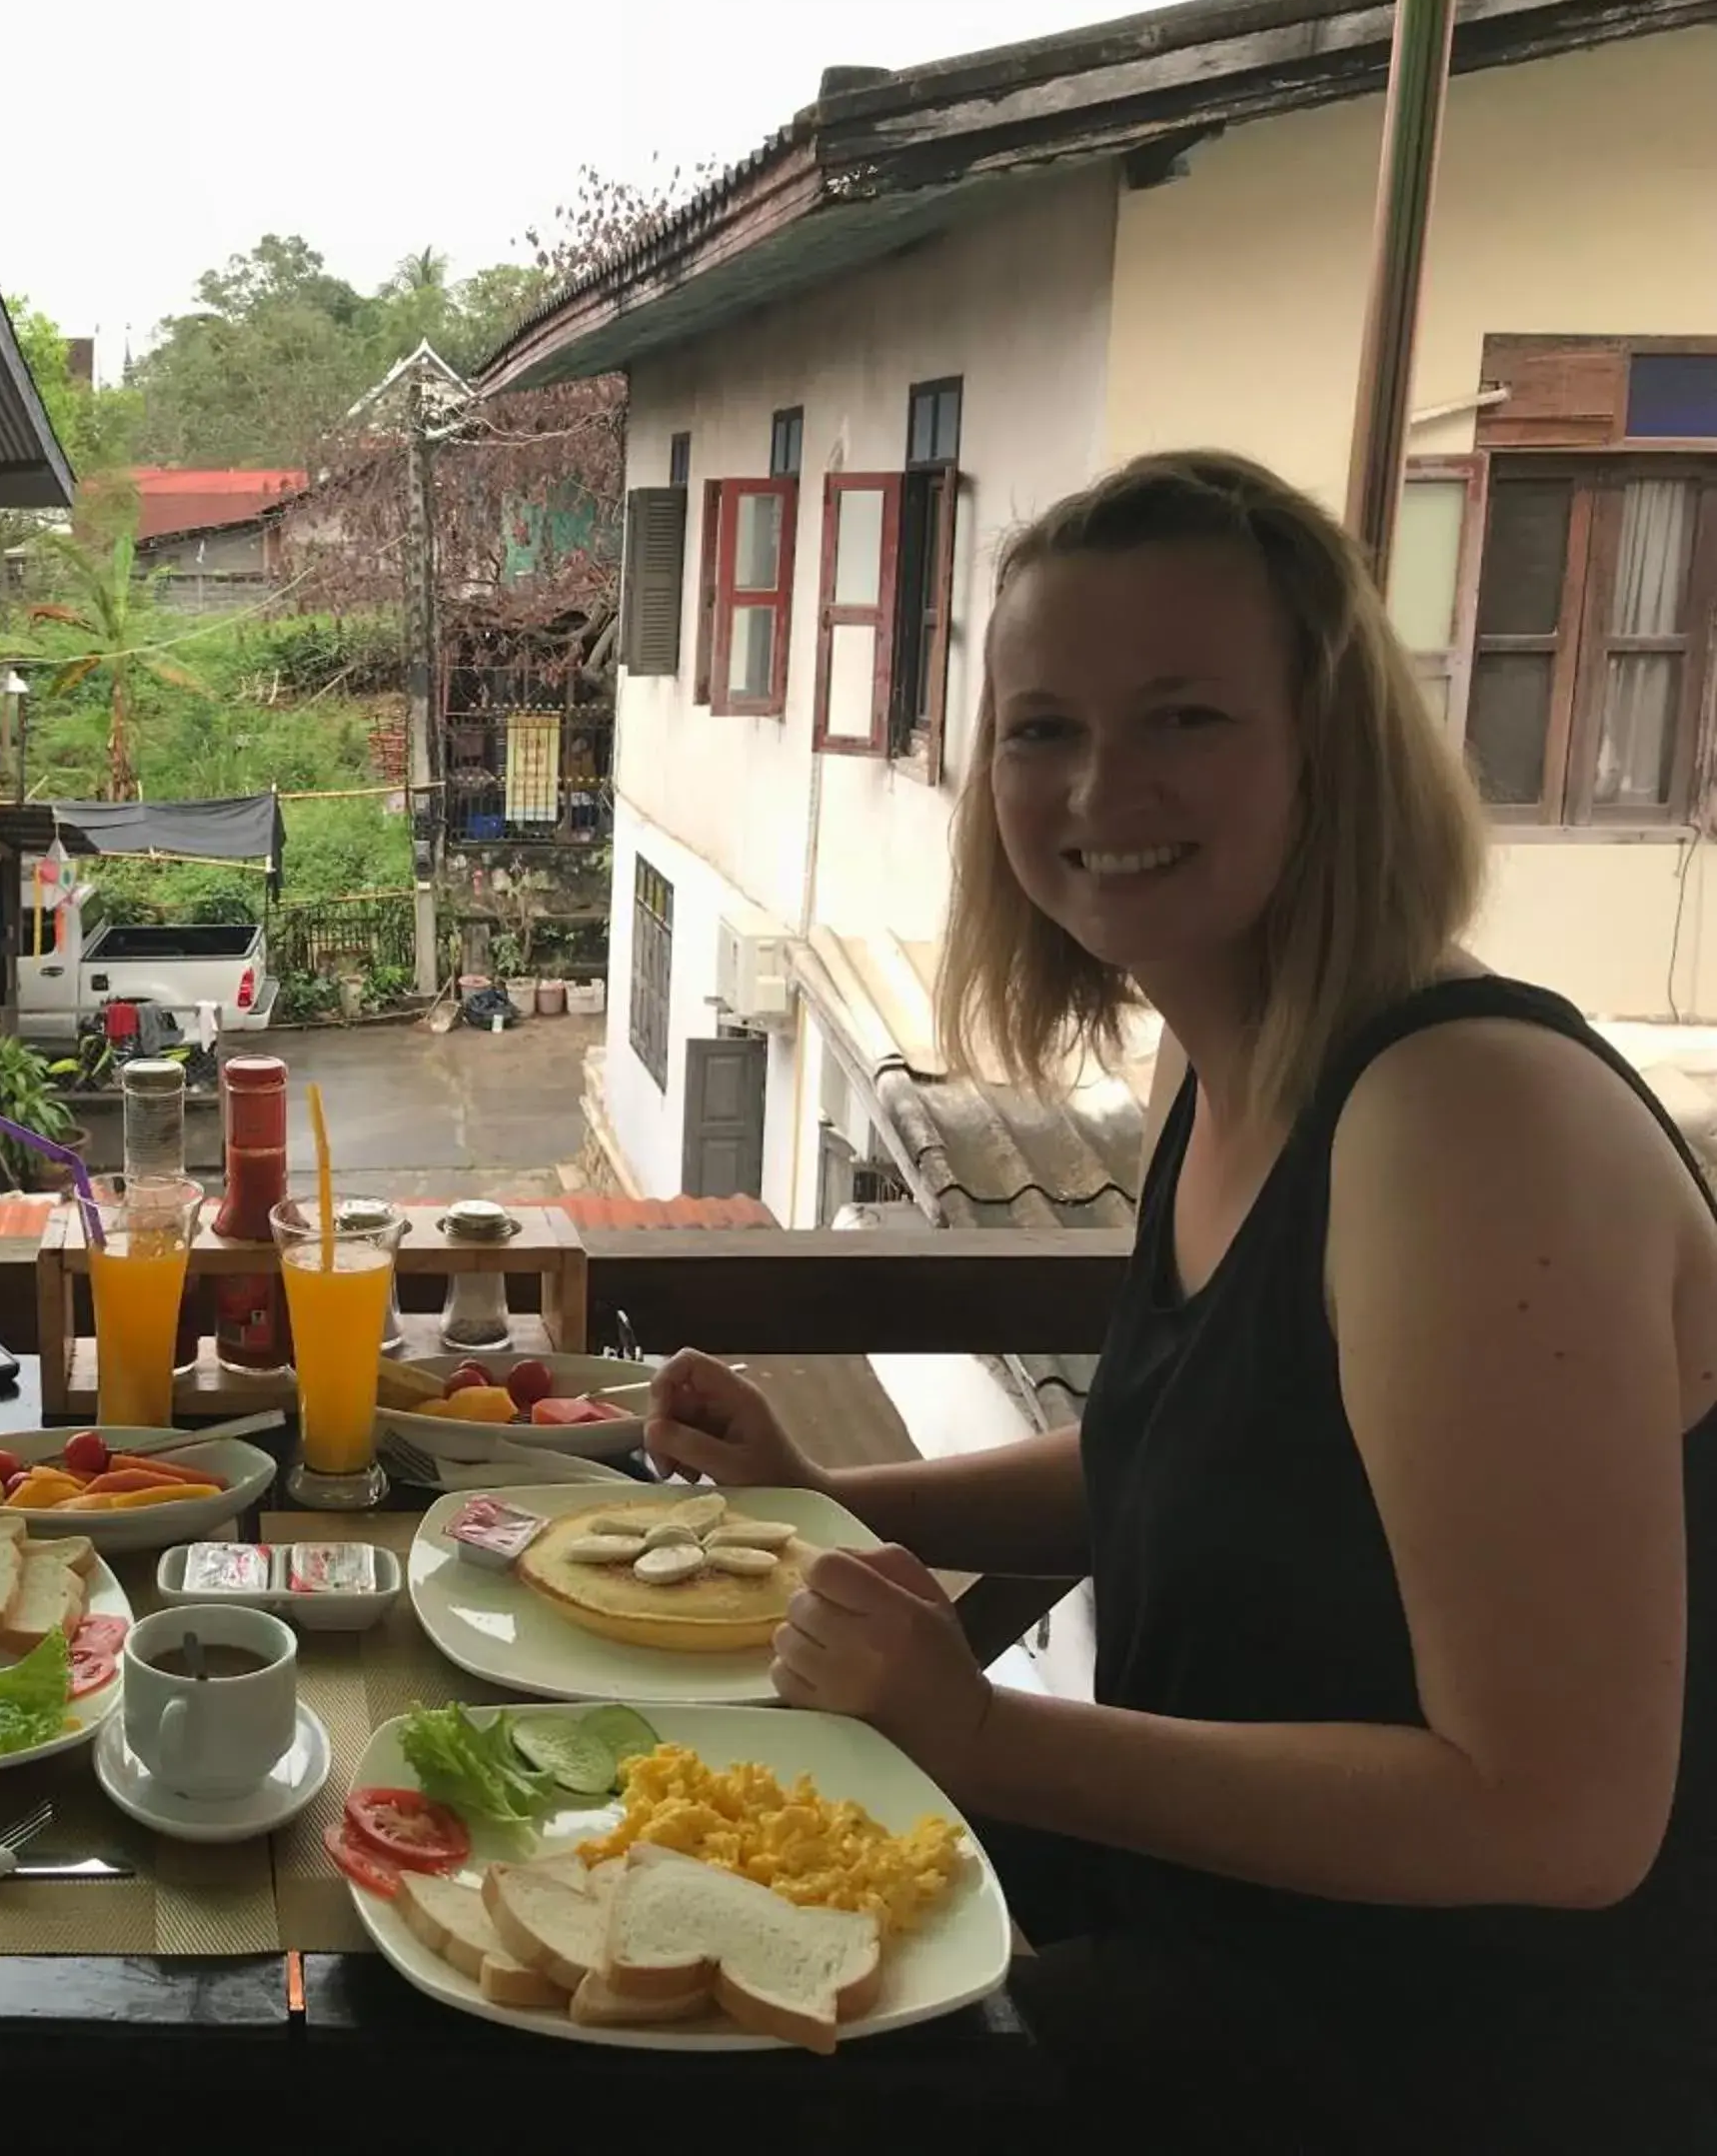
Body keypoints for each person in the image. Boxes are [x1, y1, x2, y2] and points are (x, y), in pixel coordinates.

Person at [651, 452, 1712, 2146]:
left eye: (1186, 717)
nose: (1099, 786)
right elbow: (1217, 1456)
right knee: (659, 1879)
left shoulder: (1469, 1117)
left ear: (1327, 747)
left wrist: (984, 1729)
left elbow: (1560, 1815)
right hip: (1220, 1925)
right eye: (1041, 727)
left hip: (1456, 2050)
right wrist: (826, 1499)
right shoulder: (1215, 1068)